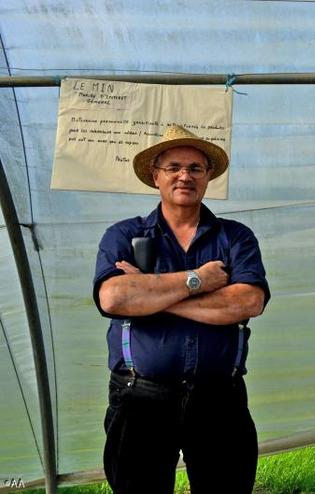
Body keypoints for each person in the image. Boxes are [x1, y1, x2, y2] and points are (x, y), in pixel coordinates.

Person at [93, 125, 270, 493]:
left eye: (195, 168)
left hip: (219, 400)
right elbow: (113, 299)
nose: (184, 176)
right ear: (155, 176)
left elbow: (248, 302)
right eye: (173, 167)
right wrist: (198, 280)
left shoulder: (235, 237)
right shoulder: (124, 235)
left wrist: (152, 297)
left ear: (208, 179)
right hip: (141, 397)